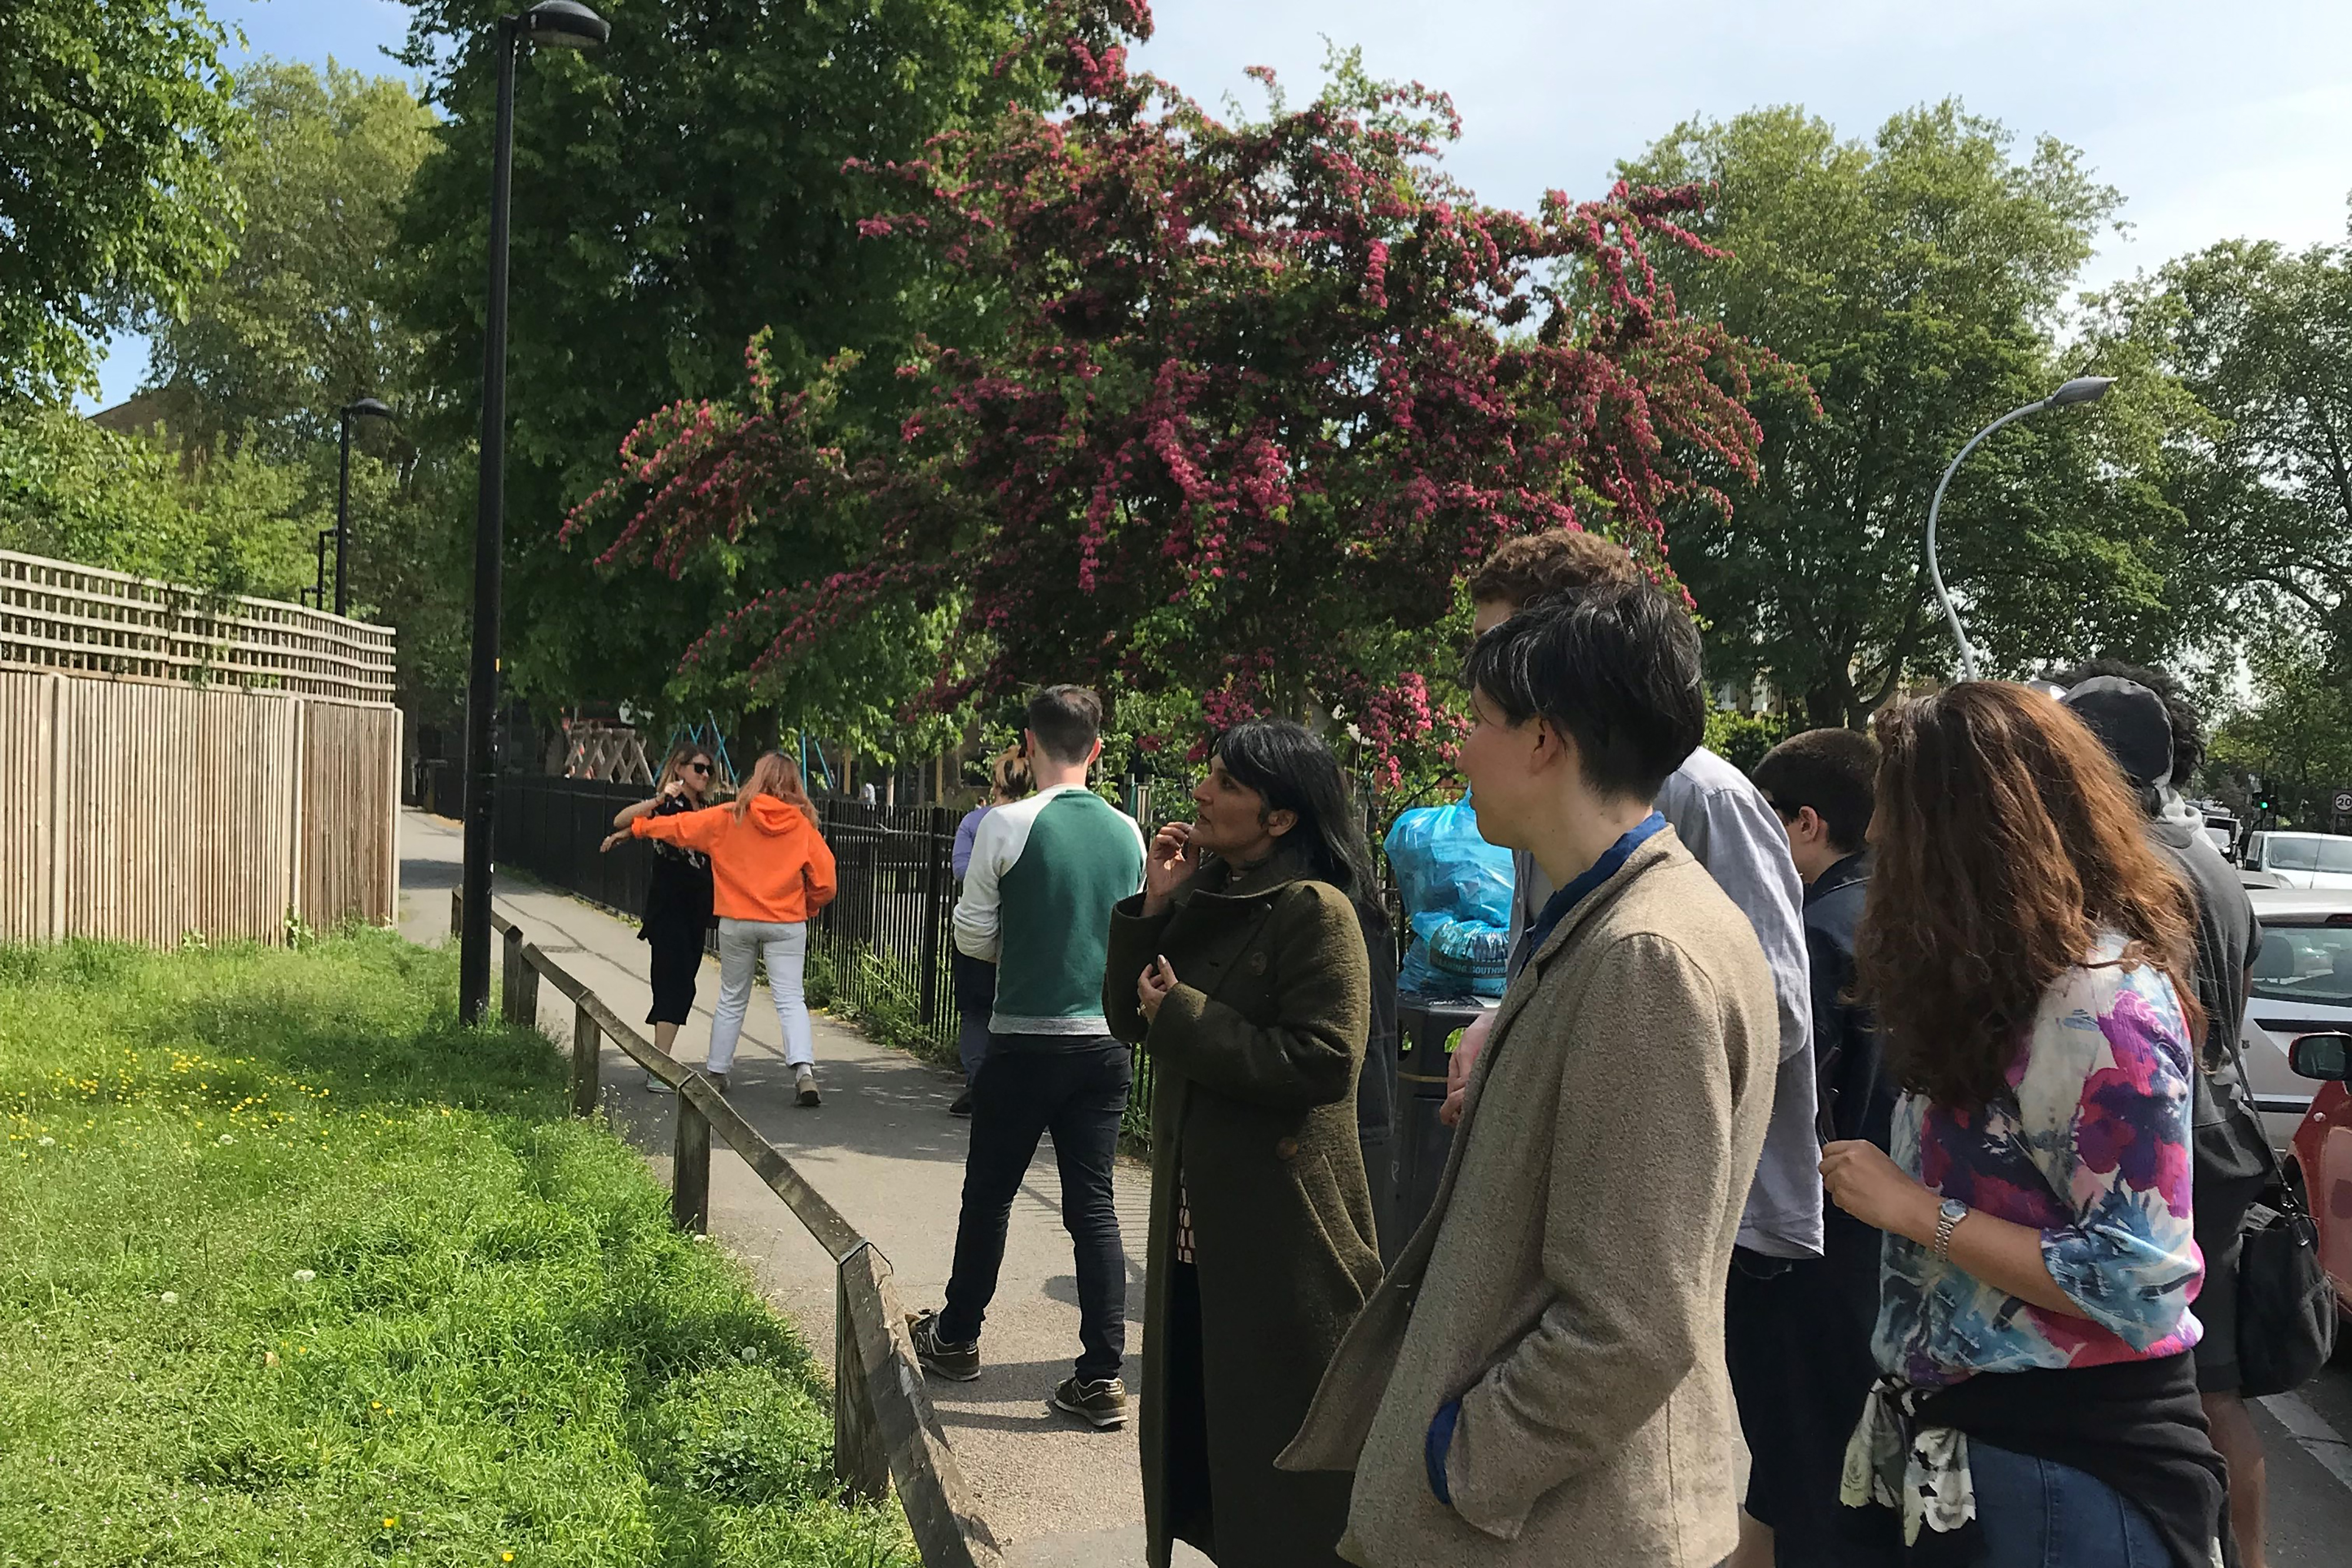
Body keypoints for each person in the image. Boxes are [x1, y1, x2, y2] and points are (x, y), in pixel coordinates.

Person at [1280, 583, 1780, 1566]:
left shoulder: (1647, 955)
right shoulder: (1621, 921)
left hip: (1555, 1525)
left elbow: (1632, 1324)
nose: (1461, 747)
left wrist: (1463, 1457)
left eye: (1479, 720)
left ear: (1546, 740)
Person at [1823, 682, 2228, 1568]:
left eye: (1898, 808)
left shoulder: (2098, 1004)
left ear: (1967, 829)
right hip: (1985, 1449)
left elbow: (2141, 1278)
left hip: (2066, 1465)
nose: (1880, 836)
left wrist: (1910, 1208)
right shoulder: (1999, 981)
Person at [1443, 531, 1822, 1279]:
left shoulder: (1700, 795)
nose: (1475, 680)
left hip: (1713, 1230)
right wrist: (1503, 1027)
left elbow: (1772, 1011)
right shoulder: (1539, 802)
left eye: (1499, 645)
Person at [1103, 719, 1381, 1568]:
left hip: (1279, 1233)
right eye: (1210, 776)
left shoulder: (1317, 913)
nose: (1202, 793)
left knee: (1279, 1464)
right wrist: (1153, 904)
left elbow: (1325, 1060)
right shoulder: (1206, 892)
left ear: (1282, 817)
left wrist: (1183, 1014)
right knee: (1207, 1440)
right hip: (1198, 1228)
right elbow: (1128, 1017)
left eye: (1225, 782)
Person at [2056, 662, 2273, 1567]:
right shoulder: (2212, 861)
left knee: (2193, 1386)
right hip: (2217, 1129)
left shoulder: (2139, 865)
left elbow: (2134, 1022)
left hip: (2170, 1135)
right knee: (2213, 1386)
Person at [908, 686, 1147, 1429]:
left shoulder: (1005, 826)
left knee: (990, 1194)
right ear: (1097, 749)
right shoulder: (1129, 833)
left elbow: (973, 934)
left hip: (1023, 1040)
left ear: (1027, 742)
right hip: (1103, 1044)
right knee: (1095, 1206)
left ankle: (957, 1338)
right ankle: (1102, 1375)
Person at [1731, 728, 1902, 1567]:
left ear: (1804, 823)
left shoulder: (1809, 936)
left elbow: (1776, 1112)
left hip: (1807, 1249)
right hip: (1893, 1246)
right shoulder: (1912, 921)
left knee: (1807, 1475)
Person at [625, 751, 836, 1103]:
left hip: (737, 920)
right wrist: (808, 904)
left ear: (757, 779)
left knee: (733, 998)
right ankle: (804, 1073)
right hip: (786, 921)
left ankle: (718, 1072)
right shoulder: (802, 826)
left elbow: (680, 829)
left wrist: (639, 827)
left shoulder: (730, 817)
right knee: (790, 998)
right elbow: (826, 882)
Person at [600, 745, 718, 1094]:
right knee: (672, 982)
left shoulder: (706, 809)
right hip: (670, 908)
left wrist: (629, 834)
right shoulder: (668, 805)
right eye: (698, 768)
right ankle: (658, 1065)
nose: (705, 775)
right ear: (679, 769)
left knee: (685, 984)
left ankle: (659, 1059)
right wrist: (655, 801)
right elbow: (622, 819)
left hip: (697, 908)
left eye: (709, 770)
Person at [947, 748, 1034, 1117]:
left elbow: (961, 870)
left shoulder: (975, 822)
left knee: (976, 1009)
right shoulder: (1036, 820)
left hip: (979, 926)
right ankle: (1014, 1084)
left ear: (996, 782)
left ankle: (979, 1080)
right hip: (1023, 928)